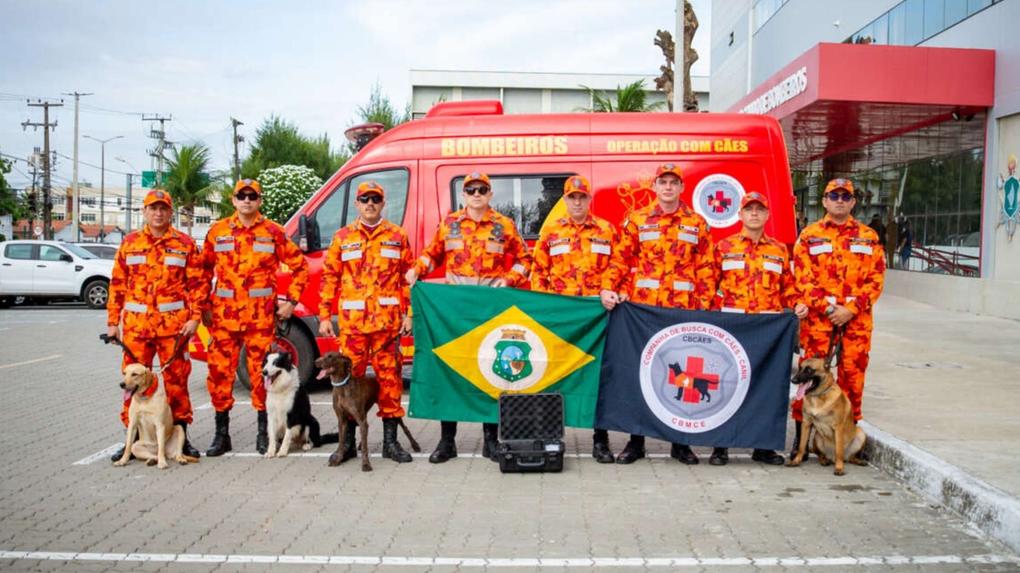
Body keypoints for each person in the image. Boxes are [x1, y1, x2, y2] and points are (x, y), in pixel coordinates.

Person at [405, 172, 532, 463]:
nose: (476, 194)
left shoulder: (504, 226)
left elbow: (527, 260)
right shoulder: (449, 224)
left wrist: (511, 279)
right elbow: (431, 255)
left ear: (490, 195)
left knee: (492, 370)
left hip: (490, 309)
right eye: (471, 190)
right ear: (463, 195)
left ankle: (491, 440)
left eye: (482, 190)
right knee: (452, 371)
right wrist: (417, 269)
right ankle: (447, 441)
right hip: (454, 311)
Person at [600, 163, 717, 465]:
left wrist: (704, 306)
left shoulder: (697, 223)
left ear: (681, 188)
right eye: (662, 181)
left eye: (673, 182)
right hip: (644, 310)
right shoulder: (637, 220)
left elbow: (707, 267)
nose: (667, 187)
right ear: (654, 187)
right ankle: (635, 441)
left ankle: (680, 443)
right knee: (643, 372)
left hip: (683, 311)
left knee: (684, 377)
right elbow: (620, 259)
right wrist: (608, 288)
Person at [201, 179, 309, 456]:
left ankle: (265, 435)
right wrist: (202, 306)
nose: (247, 200)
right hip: (224, 320)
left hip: (260, 320)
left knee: (263, 378)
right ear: (233, 199)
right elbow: (200, 272)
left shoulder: (273, 232)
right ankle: (221, 435)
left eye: (253, 196)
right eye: (242, 195)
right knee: (219, 376)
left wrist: (291, 302)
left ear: (259, 200)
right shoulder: (218, 232)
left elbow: (300, 266)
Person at [318, 181, 415, 464]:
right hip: (353, 329)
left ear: (383, 203)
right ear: (357, 204)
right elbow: (329, 277)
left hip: (387, 327)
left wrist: (410, 315)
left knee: (390, 382)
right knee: (346, 384)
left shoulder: (397, 236)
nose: (370, 203)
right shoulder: (342, 237)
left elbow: (407, 279)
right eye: (365, 199)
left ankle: (390, 443)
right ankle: (347, 445)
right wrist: (324, 315)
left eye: (376, 198)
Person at [531, 175, 623, 463]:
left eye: (582, 197)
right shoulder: (551, 232)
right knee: (555, 375)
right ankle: (549, 437)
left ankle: (600, 440)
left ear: (588, 199)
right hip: (562, 318)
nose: (578, 202)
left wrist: (609, 287)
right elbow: (539, 273)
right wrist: (546, 308)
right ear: (566, 200)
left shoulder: (607, 230)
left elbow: (619, 264)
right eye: (572, 197)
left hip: (596, 318)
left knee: (597, 379)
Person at [106, 189, 204, 462]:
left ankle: (181, 435)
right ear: (145, 212)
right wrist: (113, 323)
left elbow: (197, 284)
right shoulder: (130, 243)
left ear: (170, 212)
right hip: (137, 330)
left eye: (163, 208)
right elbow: (117, 285)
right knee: (132, 384)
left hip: (174, 329)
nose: (158, 213)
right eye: (153, 208)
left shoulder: (184, 244)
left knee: (176, 383)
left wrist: (195, 317)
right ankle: (133, 437)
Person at [711, 191, 808, 466]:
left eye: (759, 209)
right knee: (728, 385)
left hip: (768, 331)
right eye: (748, 209)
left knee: (767, 388)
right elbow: (708, 285)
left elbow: (788, 288)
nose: (754, 214)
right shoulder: (723, 247)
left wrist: (798, 303)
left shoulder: (778, 250)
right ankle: (721, 445)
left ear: (767, 215)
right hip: (733, 327)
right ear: (739, 214)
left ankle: (763, 447)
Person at [791, 178, 885, 456]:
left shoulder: (868, 236)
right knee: (809, 379)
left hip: (856, 323)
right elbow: (802, 278)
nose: (840, 200)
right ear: (824, 201)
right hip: (820, 323)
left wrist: (851, 310)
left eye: (846, 196)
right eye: (834, 196)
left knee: (852, 378)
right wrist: (830, 309)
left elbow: (876, 278)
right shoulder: (810, 235)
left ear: (854, 202)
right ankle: (802, 442)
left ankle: (848, 440)